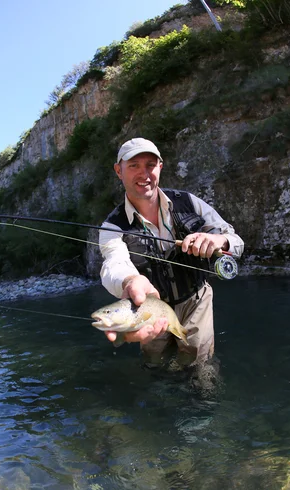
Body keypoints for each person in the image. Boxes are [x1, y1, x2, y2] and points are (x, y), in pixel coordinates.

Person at [98, 137, 244, 367]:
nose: (144, 173)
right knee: (156, 366)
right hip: (149, 309)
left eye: (150, 165)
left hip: (196, 300)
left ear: (160, 167)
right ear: (119, 170)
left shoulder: (189, 202)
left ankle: (203, 400)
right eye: (134, 165)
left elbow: (236, 241)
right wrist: (130, 281)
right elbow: (113, 264)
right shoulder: (112, 227)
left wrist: (219, 240)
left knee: (201, 367)